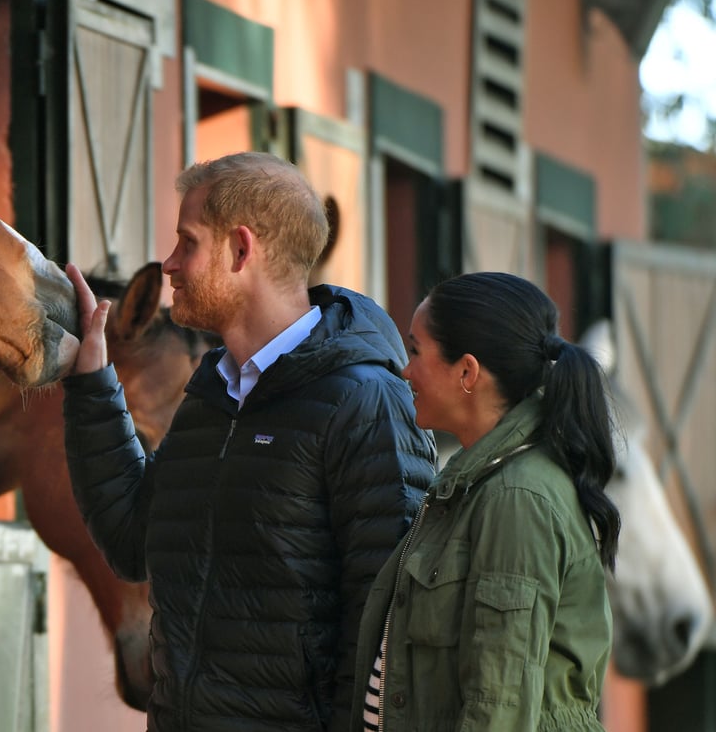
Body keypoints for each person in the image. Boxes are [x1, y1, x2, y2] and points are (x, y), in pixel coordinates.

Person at [61, 151, 437, 731]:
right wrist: (92, 383)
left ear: (241, 250)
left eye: (188, 242)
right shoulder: (212, 395)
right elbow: (132, 539)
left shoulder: (363, 401)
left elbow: (384, 627)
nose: (169, 264)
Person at [351, 271, 621, 731]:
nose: (405, 370)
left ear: (467, 372)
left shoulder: (517, 498)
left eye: (416, 351)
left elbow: (498, 703)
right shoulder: (478, 484)